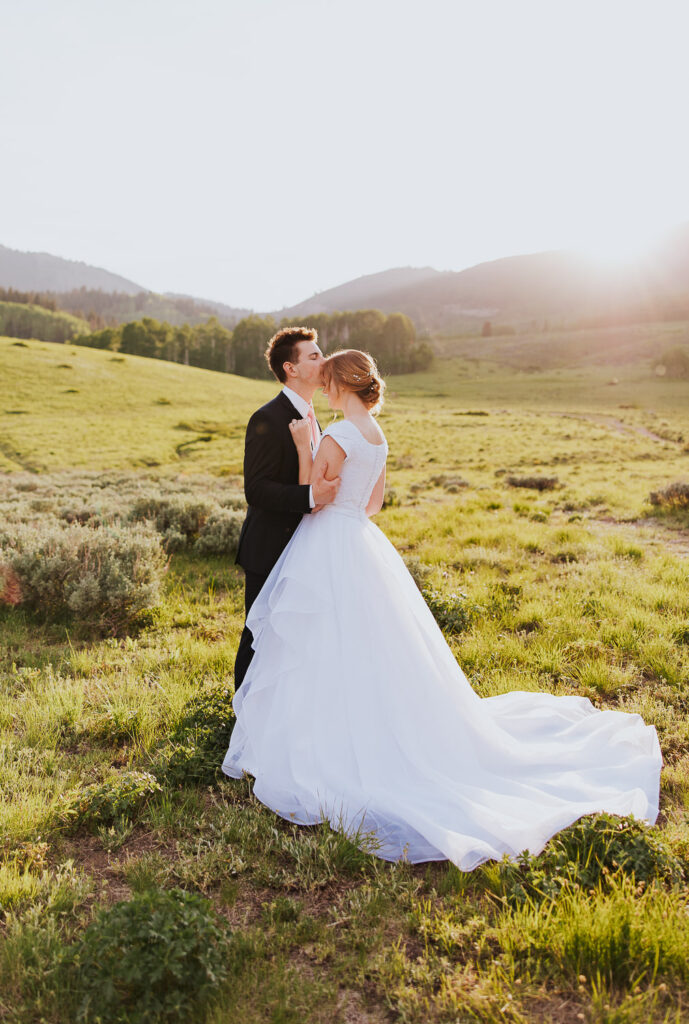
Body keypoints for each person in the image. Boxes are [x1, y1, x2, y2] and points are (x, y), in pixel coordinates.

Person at [223, 349, 662, 869]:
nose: (321, 376)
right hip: (361, 541)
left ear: (339, 386)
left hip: (327, 543)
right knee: (364, 645)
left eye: (327, 372)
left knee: (319, 643)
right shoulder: (376, 438)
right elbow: (372, 506)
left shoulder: (337, 436)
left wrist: (303, 448)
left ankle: (314, 739)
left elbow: (315, 497)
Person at [233, 326, 339, 690]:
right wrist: (311, 499)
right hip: (270, 547)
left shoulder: (314, 416)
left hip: (305, 546)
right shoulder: (267, 417)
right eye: (314, 356)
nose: (323, 360)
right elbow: (256, 489)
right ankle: (243, 719)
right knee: (258, 636)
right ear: (291, 369)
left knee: (296, 636)